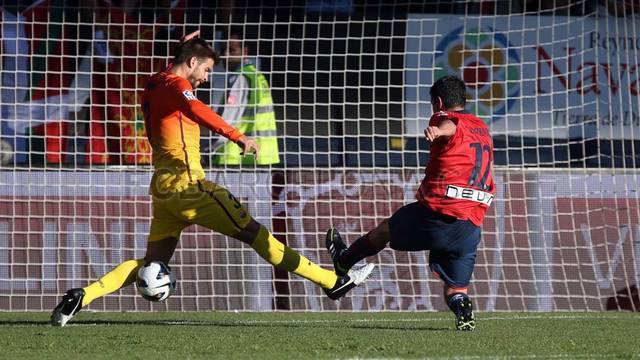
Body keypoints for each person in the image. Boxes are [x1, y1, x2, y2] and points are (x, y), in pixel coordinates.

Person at [50, 35, 374, 327]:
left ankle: (82, 296)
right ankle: (332, 282)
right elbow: (198, 108)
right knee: (257, 235)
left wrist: (185, 50)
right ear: (192, 63)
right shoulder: (178, 89)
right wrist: (238, 136)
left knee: (152, 263)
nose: (205, 78)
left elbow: (176, 80)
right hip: (191, 187)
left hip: (163, 191)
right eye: (205, 70)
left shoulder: (154, 84)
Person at [325, 75, 494, 331]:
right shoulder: (481, 126)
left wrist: (439, 130)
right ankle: (463, 308)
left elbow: (451, 125)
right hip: (471, 224)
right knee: (456, 289)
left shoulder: (443, 118)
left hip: (438, 213)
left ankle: (344, 261)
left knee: (384, 231)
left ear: (438, 102)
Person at [209, 29, 280, 166]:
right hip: (263, 155)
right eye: (223, 50)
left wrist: (210, 149)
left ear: (245, 52)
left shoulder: (240, 78)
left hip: (234, 157)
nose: (226, 55)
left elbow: (229, 120)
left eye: (232, 50)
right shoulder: (256, 76)